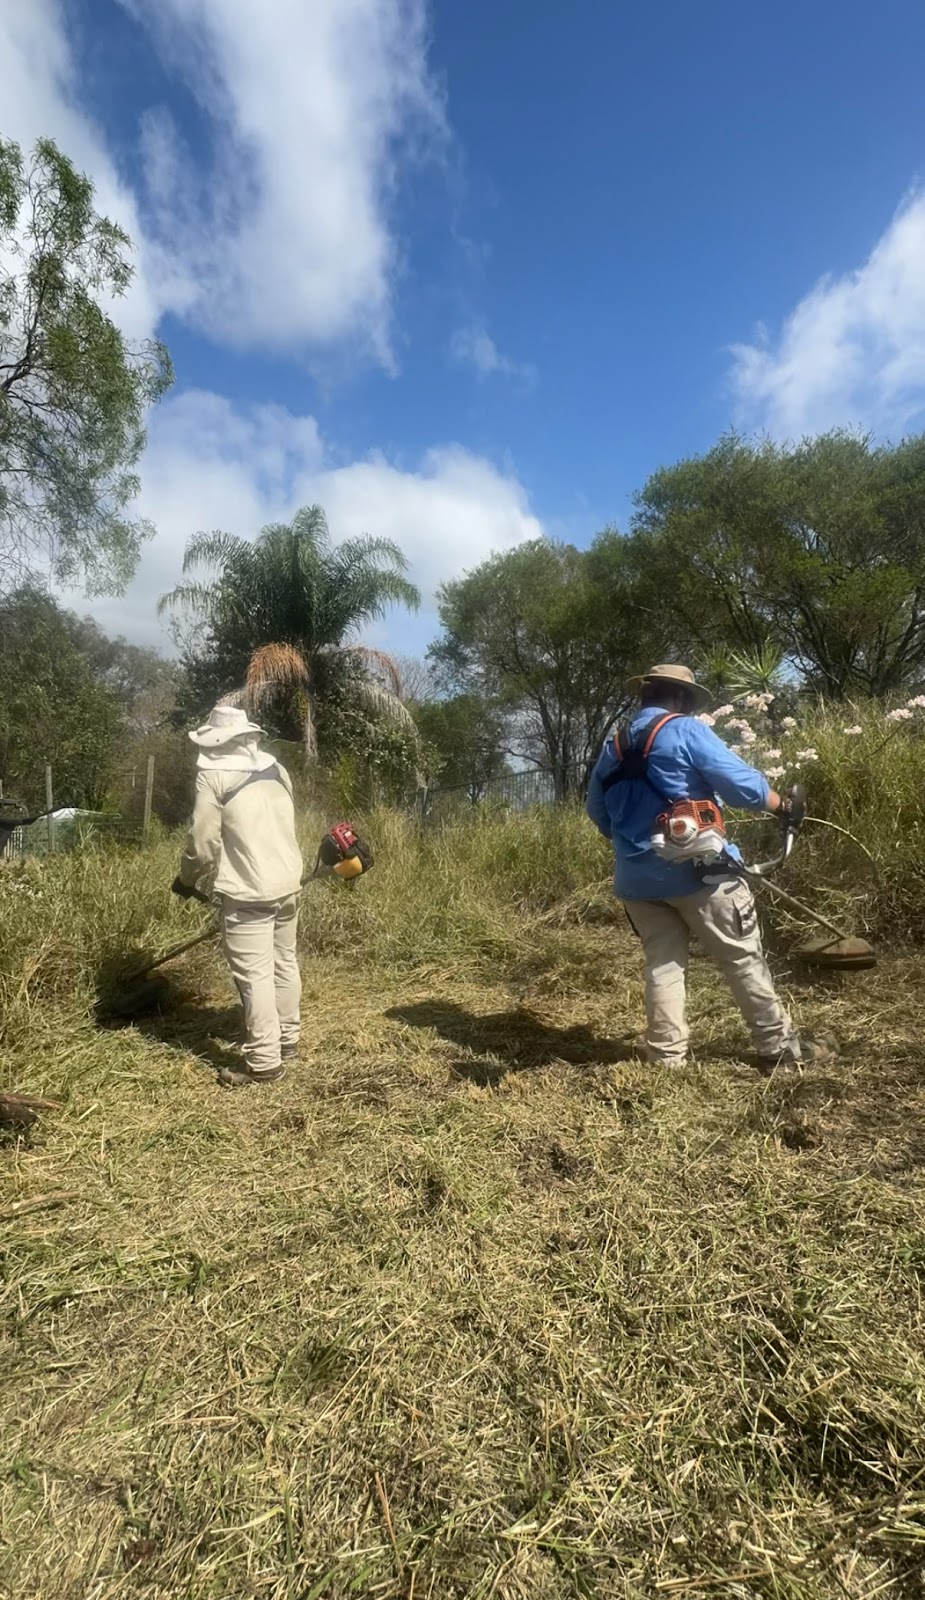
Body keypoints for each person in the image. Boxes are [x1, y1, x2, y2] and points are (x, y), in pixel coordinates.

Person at [586, 664, 835, 1070]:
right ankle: (778, 1050)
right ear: (681, 698)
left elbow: (597, 811)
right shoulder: (685, 729)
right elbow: (742, 786)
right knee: (741, 958)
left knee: (663, 966)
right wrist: (783, 807)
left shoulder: (612, 747)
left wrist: (636, 843)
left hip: (637, 883)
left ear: (645, 696)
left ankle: (666, 1060)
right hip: (702, 872)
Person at [173, 705, 304, 1088]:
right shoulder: (277, 769)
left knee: (255, 975)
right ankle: (288, 1038)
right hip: (288, 883)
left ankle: (264, 1061)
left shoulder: (211, 777)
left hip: (247, 890)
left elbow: (202, 846)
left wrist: (186, 879)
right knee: (284, 961)